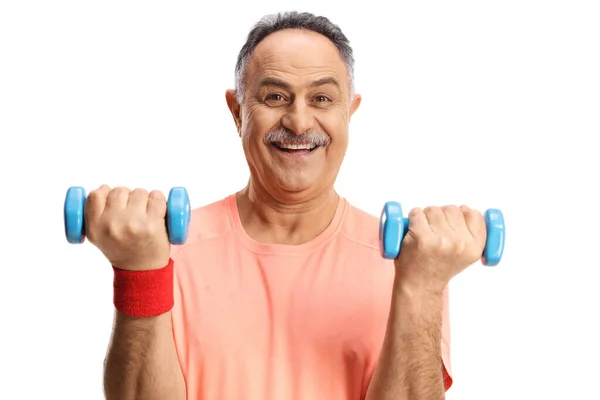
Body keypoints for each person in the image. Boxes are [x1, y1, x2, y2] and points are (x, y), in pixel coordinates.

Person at [86, 11, 488, 400]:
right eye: (275, 96)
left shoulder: (411, 261)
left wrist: (422, 288)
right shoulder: (164, 250)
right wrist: (139, 270)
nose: (298, 122)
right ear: (237, 110)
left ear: (349, 111)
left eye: (321, 98)